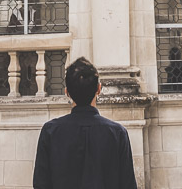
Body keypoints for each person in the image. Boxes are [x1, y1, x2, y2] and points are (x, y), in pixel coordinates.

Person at [32, 56, 138, 189]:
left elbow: (41, 184)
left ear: (67, 92)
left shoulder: (50, 131)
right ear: (98, 89)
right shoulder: (117, 133)